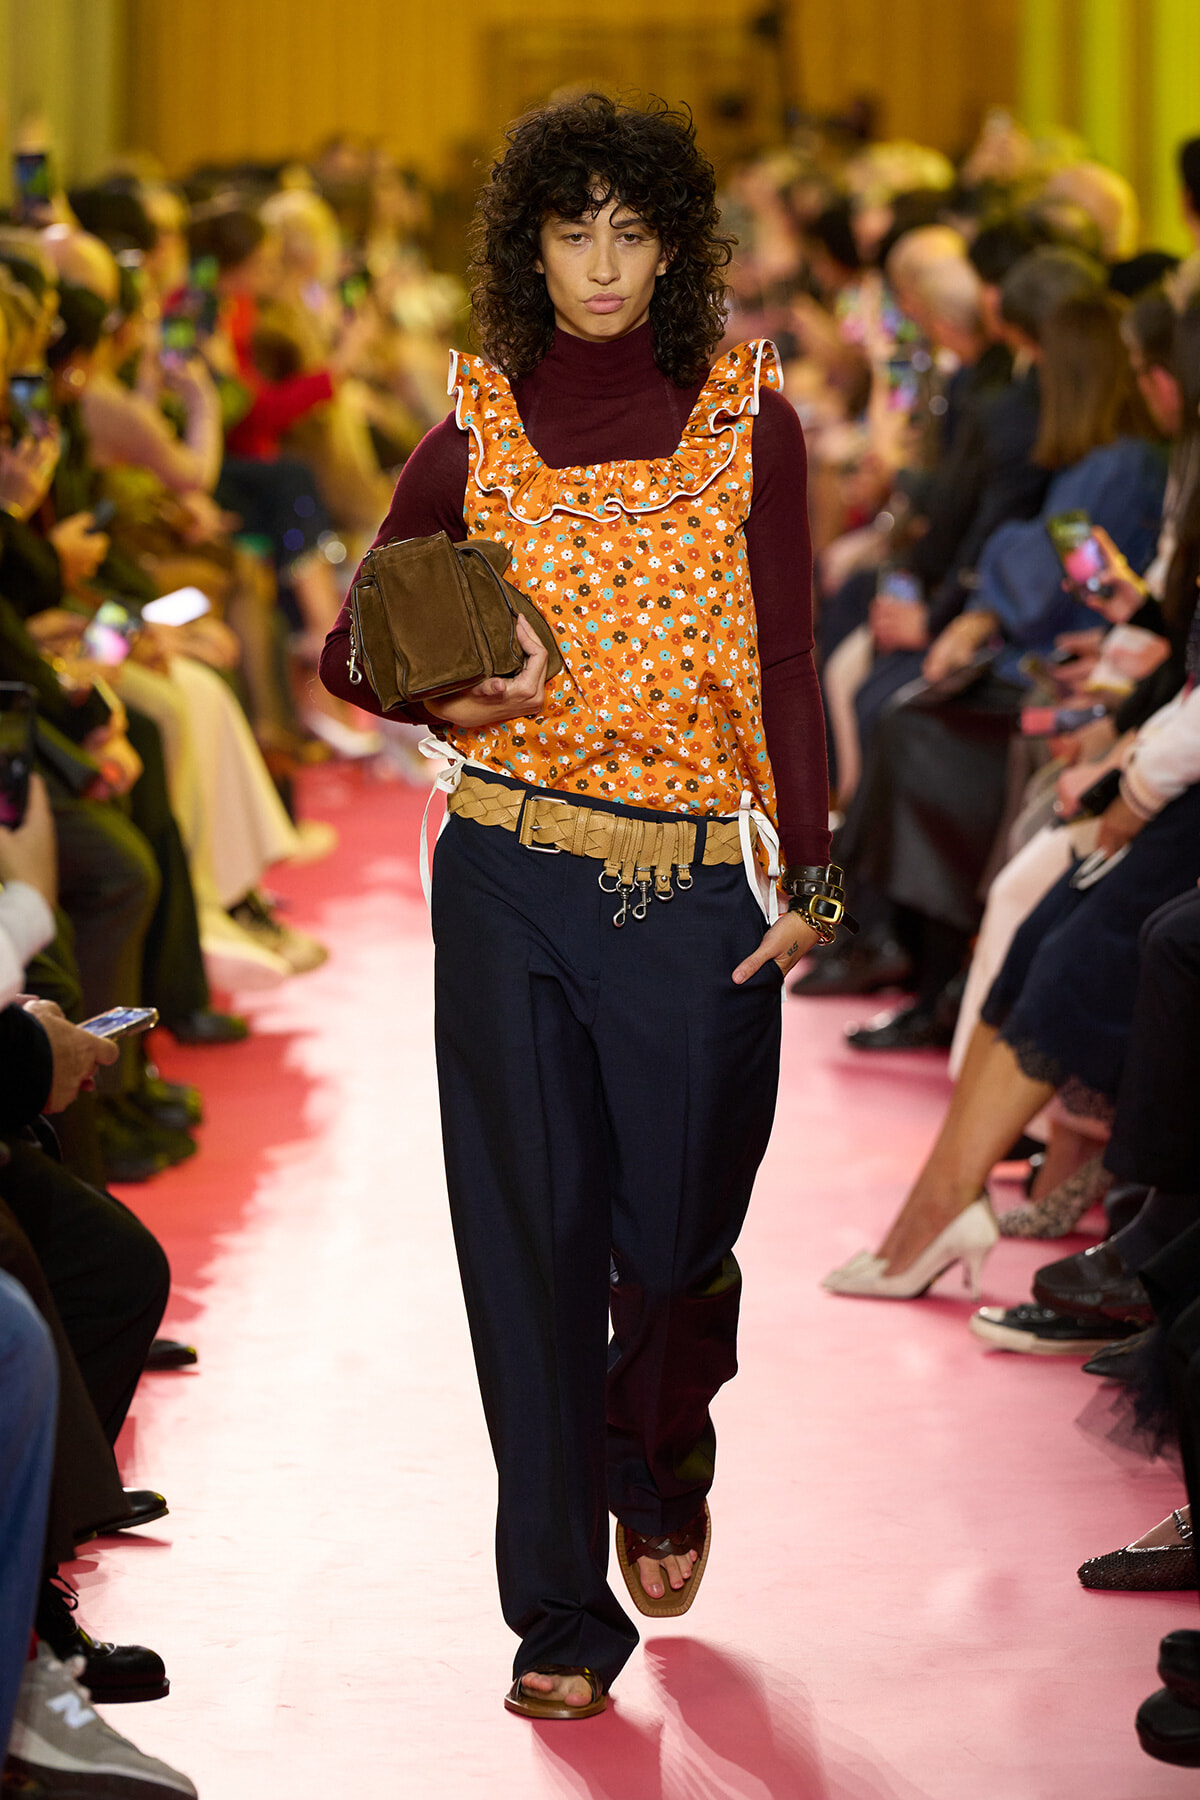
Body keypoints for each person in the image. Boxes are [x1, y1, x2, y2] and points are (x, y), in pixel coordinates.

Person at [321, 93, 834, 1718]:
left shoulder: (751, 419)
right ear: (526, 249)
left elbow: (792, 660)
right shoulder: (474, 431)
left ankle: (657, 1452)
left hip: (693, 888)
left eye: (630, 231)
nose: (602, 266)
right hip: (506, 878)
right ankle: (555, 1615)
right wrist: (448, 697)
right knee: (527, 1251)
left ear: (675, 246)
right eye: (571, 231)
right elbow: (348, 647)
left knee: (674, 1248)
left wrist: (817, 873)